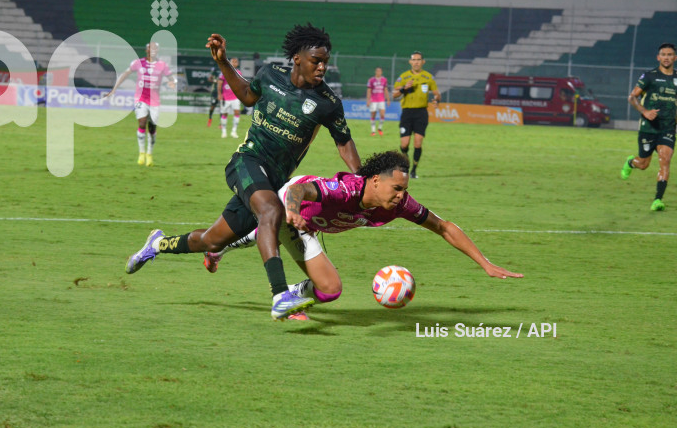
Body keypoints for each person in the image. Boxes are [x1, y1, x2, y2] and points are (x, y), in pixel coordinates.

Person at [124, 24, 362, 320]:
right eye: (317, 60)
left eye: (326, 61)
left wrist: (361, 180)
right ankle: (280, 296)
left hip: (272, 179)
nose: (322, 67)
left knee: (211, 241)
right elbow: (248, 96)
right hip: (246, 161)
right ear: (298, 58)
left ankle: (156, 244)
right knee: (271, 210)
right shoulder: (269, 74)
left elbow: (344, 142)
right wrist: (223, 62)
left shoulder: (327, 103)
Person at [203, 151, 523, 319]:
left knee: (328, 292)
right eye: (397, 188)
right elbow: (300, 189)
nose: (402, 195)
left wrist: (485, 263)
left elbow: (444, 227)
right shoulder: (345, 190)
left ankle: (225, 251)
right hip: (291, 209)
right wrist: (292, 209)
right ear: (373, 181)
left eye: (404, 190)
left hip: (311, 225)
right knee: (284, 237)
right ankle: (279, 291)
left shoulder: (399, 206)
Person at [621, 42, 677, 211]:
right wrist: (644, 111)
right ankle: (631, 162)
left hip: (668, 128)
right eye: (663, 55)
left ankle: (657, 200)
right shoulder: (649, 76)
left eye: (669, 55)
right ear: (658, 57)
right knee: (644, 164)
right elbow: (632, 98)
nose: (666, 57)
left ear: (675, 58)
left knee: (665, 160)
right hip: (649, 127)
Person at [104, 42, 176, 167]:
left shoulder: (162, 65)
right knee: (142, 123)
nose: (152, 50)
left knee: (152, 127)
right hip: (140, 99)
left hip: (155, 101)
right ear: (146, 50)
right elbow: (125, 74)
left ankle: (149, 154)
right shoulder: (137, 63)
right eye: (150, 48)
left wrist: (172, 83)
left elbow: (171, 78)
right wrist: (114, 88)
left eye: (155, 49)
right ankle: (141, 153)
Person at [392, 51, 440, 179]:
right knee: (404, 144)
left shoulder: (428, 77)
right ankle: (406, 161)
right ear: (410, 62)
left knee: (418, 143)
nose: (416, 62)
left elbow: (436, 93)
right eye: (414, 60)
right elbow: (394, 94)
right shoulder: (404, 77)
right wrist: (404, 88)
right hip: (407, 113)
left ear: (423, 62)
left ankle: (413, 170)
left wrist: (436, 100)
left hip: (421, 113)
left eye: (419, 59)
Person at [217, 57, 242, 139]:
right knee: (225, 114)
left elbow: (240, 84)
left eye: (236, 62)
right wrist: (219, 94)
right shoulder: (224, 72)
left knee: (237, 112)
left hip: (235, 97)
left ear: (237, 64)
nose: (234, 63)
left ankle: (234, 131)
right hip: (225, 97)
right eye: (233, 62)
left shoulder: (239, 73)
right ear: (230, 63)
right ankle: (223, 131)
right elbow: (219, 83)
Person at [367, 67, 390, 136]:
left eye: (379, 71)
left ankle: (379, 128)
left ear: (381, 72)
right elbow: (369, 90)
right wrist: (368, 100)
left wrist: (388, 99)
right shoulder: (371, 80)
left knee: (382, 115)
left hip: (381, 100)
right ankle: (373, 131)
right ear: (375, 72)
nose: (378, 72)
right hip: (373, 100)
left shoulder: (384, 80)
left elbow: (385, 90)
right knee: (373, 115)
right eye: (377, 71)